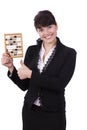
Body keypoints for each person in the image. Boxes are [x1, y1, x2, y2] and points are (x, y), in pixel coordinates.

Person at [1, 10, 77, 130]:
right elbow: (24, 85)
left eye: (49, 27)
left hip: (54, 115)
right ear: (37, 31)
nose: (46, 33)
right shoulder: (31, 50)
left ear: (56, 26)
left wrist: (31, 74)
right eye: (41, 29)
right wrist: (11, 67)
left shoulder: (69, 53)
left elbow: (59, 84)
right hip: (30, 112)